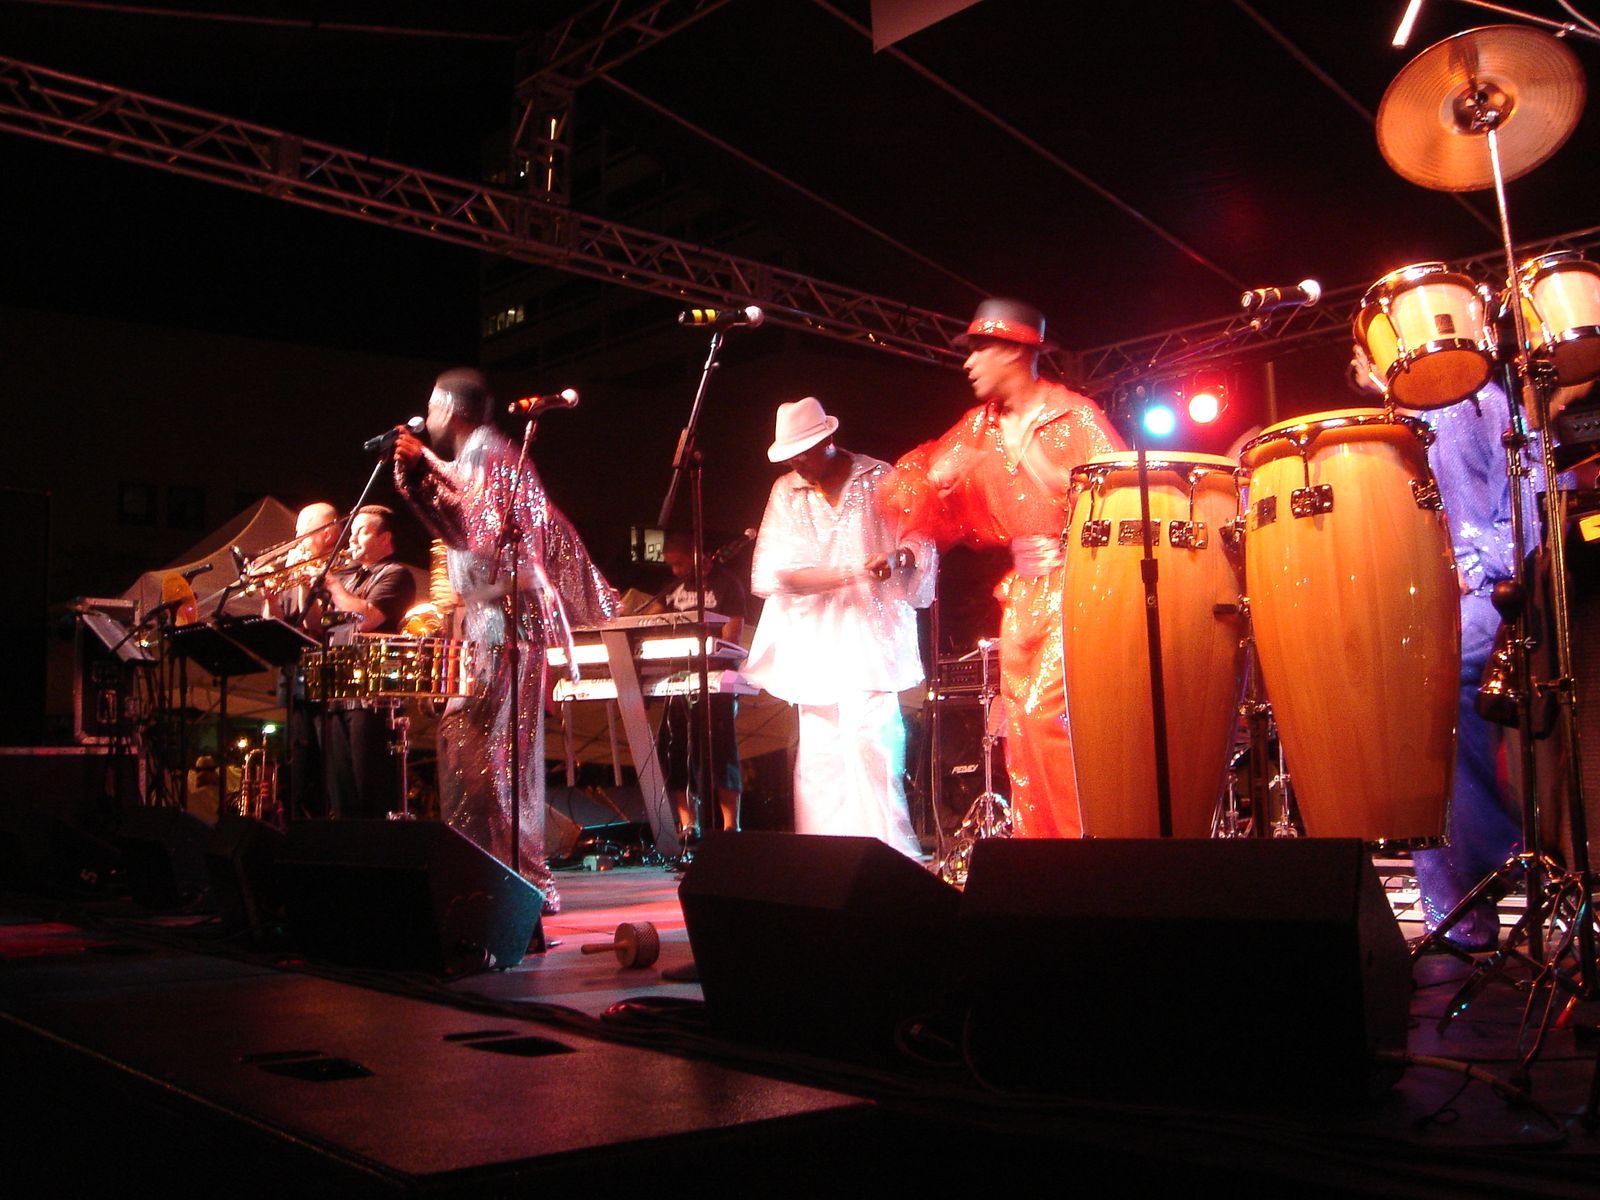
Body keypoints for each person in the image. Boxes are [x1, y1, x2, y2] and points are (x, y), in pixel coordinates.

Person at [886, 298, 1123, 838]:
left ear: (1014, 351)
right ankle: (1041, 855)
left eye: (979, 350)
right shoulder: (977, 429)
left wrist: (1058, 494)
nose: (968, 363)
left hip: (1081, 589)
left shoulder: (1076, 416)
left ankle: (1085, 848)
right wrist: (929, 483)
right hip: (1023, 597)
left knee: (1049, 715)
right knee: (1021, 725)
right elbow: (913, 496)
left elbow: (1123, 501)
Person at [393, 368, 618, 913]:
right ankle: (498, 877)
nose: (428, 415)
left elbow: (482, 530)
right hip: (491, 620)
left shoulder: (490, 454)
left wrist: (424, 468)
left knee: (492, 754)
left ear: (451, 408)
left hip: (506, 621)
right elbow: (462, 515)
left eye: (433, 405)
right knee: (483, 751)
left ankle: (514, 884)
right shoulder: (482, 458)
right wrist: (422, 472)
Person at [743, 396, 934, 857]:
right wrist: (850, 573)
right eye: (790, 456)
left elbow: (919, 537)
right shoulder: (785, 491)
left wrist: (897, 557)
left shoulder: (880, 477)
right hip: (815, 637)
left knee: (873, 740)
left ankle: (889, 853)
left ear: (827, 440)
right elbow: (775, 573)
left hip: (871, 631)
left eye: (802, 453)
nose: (796, 464)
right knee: (821, 751)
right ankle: (828, 855)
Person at [643, 528, 745, 836]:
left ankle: (730, 827)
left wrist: (709, 652)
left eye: (679, 564)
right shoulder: (673, 589)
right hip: (679, 679)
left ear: (698, 557)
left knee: (720, 751)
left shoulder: (728, 585)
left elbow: (732, 637)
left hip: (715, 680)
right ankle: (688, 824)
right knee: (675, 749)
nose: (675, 571)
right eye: (671, 566)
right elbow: (647, 621)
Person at [321, 505, 418, 820]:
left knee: (369, 791)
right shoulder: (349, 577)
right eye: (352, 532)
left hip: (374, 696)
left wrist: (331, 584)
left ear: (384, 538)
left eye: (361, 532)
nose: (351, 539)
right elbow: (319, 625)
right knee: (342, 795)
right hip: (339, 690)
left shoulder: (395, 574)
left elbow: (366, 619)